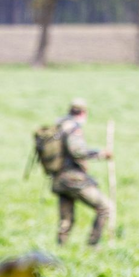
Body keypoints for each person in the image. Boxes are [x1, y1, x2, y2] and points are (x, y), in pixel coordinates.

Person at [49, 98, 113, 247]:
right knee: (105, 208)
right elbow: (78, 151)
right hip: (73, 178)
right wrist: (100, 153)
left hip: (58, 178)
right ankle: (93, 245)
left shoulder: (59, 125)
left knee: (66, 219)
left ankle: (61, 248)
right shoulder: (73, 127)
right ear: (83, 112)